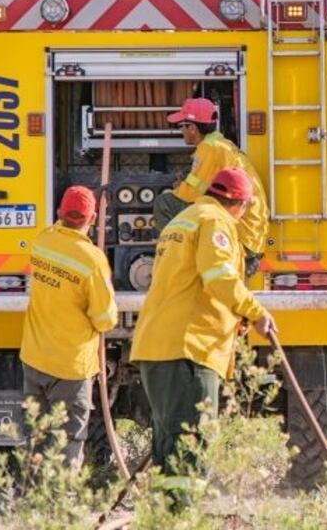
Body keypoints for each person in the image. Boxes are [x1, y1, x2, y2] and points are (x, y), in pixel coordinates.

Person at [131, 168, 275, 493]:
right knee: (191, 446)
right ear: (239, 203)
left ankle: (165, 519)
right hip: (190, 349)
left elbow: (188, 284)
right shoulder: (216, 222)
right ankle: (183, 518)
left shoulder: (182, 220)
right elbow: (219, 276)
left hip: (157, 346)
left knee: (169, 448)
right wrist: (254, 312)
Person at [20, 185, 118, 470]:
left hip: (35, 359)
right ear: (93, 219)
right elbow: (105, 318)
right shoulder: (92, 260)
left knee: (35, 438)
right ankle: (61, 505)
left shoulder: (42, 241)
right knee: (67, 440)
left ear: (60, 213)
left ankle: (34, 502)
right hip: (70, 367)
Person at [152, 97, 269, 275]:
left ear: (192, 128)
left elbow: (189, 195)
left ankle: (181, 255)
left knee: (164, 203)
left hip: (242, 234)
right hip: (249, 233)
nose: (180, 131)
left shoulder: (209, 148)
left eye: (182, 126)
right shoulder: (220, 145)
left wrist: (177, 187)